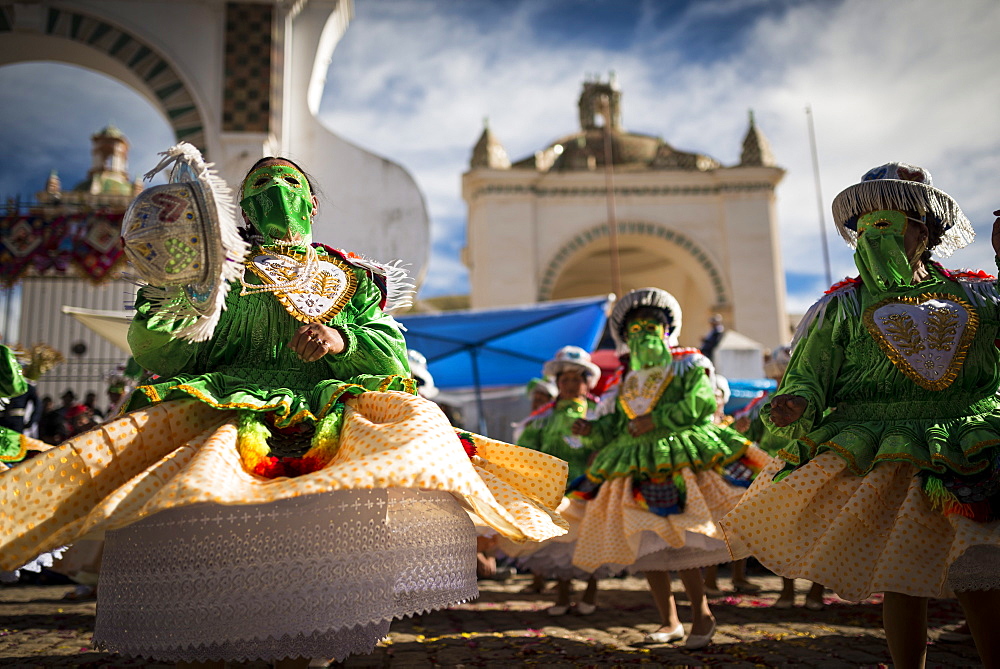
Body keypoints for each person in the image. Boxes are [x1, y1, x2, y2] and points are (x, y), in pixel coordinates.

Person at [0, 145, 569, 668]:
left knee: (334, 539)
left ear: (313, 203)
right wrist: (170, 296)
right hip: (230, 408)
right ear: (241, 207)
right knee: (227, 536)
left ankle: (319, 643)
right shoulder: (221, 272)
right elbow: (169, 352)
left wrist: (340, 340)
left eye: (289, 185)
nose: (275, 194)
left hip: (329, 414)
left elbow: (390, 346)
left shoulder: (348, 275)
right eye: (259, 188)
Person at [721, 164, 1000, 668]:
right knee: (901, 574)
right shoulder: (840, 307)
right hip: (885, 454)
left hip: (969, 445)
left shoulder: (977, 297)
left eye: (889, 222)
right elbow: (808, 376)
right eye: (866, 225)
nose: (875, 233)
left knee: (980, 568)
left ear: (925, 229)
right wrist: (796, 403)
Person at [570, 288, 770, 649]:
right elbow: (616, 424)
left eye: (651, 325)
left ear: (667, 330)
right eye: (635, 328)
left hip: (678, 458)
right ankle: (669, 620)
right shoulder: (625, 379)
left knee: (682, 538)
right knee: (648, 546)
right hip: (632, 464)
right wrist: (592, 429)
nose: (643, 333)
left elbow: (700, 403)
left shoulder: (689, 362)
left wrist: (657, 419)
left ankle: (702, 614)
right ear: (625, 336)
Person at [510, 346, 604, 614]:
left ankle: (590, 594)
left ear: (587, 383)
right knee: (562, 540)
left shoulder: (600, 414)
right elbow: (526, 451)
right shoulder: (542, 418)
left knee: (590, 539)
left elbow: (610, 443)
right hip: (555, 488)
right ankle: (562, 596)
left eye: (577, 379)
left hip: (592, 486)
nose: (571, 385)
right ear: (557, 383)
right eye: (565, 379)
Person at [731, 345, 825, 610]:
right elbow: (749, 435)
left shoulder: (817, 399)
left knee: (818, 531)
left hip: (813, 471)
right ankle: (788, 591)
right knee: (785, 535)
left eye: (780, 376)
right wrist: (738, 429)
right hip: (777, 474)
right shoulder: (765, 402)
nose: (777, 381)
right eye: (774, 377)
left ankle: (816, 592)